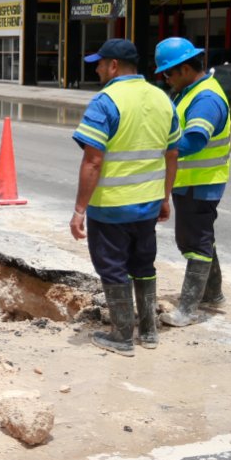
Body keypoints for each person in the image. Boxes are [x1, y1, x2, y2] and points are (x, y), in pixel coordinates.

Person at [70, 38, 180, 356]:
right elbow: (172, 155)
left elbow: (93, 160)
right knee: (143, 264)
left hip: (111, 207)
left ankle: (121, 335)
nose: (97, 68)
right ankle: (148, 331)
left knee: (113, 268)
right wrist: (165, 197)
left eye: (101, 63)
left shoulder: (105, 102)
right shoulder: (162, 99)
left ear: (114, 66)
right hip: (147, 205)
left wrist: (79, 210)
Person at [154, 37, 231, 328]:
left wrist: (160, 150)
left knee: (195, 241)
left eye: (168, 73)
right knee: (199, 237)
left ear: (185, 68)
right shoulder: (190, 91)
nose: (167, 79)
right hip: (191, 182)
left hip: (202, 182)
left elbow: (196, 139)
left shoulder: (206, 98)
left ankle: (188, 309)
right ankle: (213, 294)